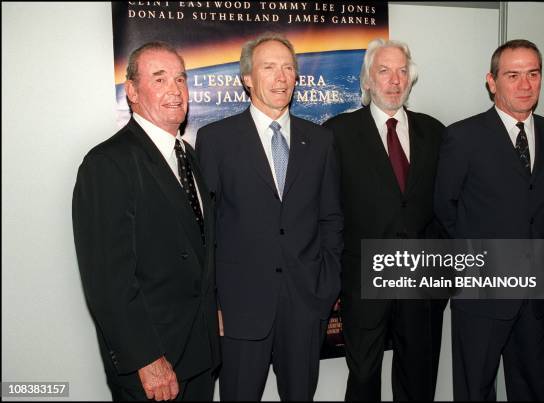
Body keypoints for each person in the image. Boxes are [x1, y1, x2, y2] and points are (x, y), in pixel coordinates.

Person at [195, 32, 342, 401]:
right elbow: (205, 231)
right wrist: (212, 303)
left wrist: (326, 287)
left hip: (305, 307)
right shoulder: (216, 140)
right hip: (241, 309)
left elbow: (331, 218)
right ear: (247, 78)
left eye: (288, 68)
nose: (281, 77)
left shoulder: (320, 141)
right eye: (269, 67)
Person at [72, 41, 219, 401]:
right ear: (133, 93)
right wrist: (146, 359)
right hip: (154, 364)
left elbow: (198, 249)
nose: (175, 89)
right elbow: (108, 279)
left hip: (199, 354)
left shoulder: (189, 156)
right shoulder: (108, 163)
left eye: (181, 79)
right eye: (160, 78)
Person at [434, 39, 544, 401]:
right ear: (492, 82)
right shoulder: (462, 137)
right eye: (513, 75)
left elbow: (538, 209)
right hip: (481, 291)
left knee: (533, 385)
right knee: (475, 388)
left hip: (534, 292)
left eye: (533, 74)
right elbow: (444, 209)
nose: (525, 85)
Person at [323, 38, 448, 401]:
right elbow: (328, 211)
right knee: (363, 377)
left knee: (418, 377)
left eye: (402, 71)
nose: (394, 80)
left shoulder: (435, 132)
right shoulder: (337, 134)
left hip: (422, 280)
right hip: (363, 280)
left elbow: (446, 206)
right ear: (366, 80)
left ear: (410, 80)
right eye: (384, 71)